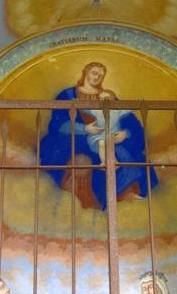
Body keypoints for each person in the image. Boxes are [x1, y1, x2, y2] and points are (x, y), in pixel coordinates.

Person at [39, 61, 159, 210]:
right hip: (76, 141)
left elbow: (129, 121)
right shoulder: (68, 95)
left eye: (101, 76)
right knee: (83, 160)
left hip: (108, 139)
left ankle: (126, 192)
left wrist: (125, 133)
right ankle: (83, 204)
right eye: (94, 73)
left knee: (124, 152)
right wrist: (85, 128)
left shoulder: (107, 97)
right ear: (86, 72)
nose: (97, 78)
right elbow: (58, 124)